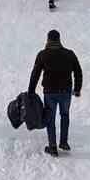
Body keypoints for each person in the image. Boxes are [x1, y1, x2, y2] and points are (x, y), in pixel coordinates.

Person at [28, 29, 82, 157]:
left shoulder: (43, 54)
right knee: (65, 115)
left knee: (50, 118)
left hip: (50, 92)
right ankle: (63, 142)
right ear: (59, 39)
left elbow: (35, 74)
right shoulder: (69, 54)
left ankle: (52, 147)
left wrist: (31, 91)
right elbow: (78, 71)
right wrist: (77, 89)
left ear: (48, 40)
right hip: (66, 92)